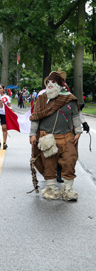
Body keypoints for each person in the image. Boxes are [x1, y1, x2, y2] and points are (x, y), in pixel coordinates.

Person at [30, 70, 82, 201]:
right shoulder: (41, 99)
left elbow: (76, 115)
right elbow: (35, 118)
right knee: (49, 165)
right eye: (48, 82)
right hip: (47, 138)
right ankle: (51, 189)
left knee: (70, 161)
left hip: (67, 138)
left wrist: (78, 131)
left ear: (59, 85)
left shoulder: (70, 98)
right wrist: (32, 134)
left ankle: (68, 190)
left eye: (53, 82)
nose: (50, 85)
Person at [0, 84, 11, 149]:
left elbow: (9, 106)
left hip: (4, 114)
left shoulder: (6, 97)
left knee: (4, 128)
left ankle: (4, 142)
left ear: (3, 89)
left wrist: (9, 111)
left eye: (0, 88)